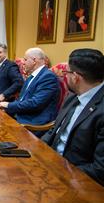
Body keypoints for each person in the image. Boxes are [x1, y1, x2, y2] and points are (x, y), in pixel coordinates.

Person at [42, 49, 104, 186]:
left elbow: (99, 169)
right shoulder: (74, 96)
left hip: (74, 179)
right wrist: (36, 149)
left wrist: (59, 171)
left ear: (75, 77)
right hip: (49, 163)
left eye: (66, 72)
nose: (65, 76)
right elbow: (54, 130)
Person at [0, 48, 59, 136]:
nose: (23, 63)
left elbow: (35, 103)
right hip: (21, 116)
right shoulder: (32, 76)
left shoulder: (48, 77)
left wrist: (8, 105)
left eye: (25, 59)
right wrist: (7, 108)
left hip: (33, 123)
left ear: (34, 60)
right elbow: (22, 99)